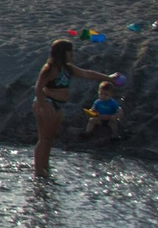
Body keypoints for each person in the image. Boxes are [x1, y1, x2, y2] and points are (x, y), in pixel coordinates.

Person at [32, 39, 118, 177]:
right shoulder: (51, 68)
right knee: (44, 138)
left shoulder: (68, 68)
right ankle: (38, 170)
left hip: (58, 105)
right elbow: (38, 87)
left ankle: (45, 165)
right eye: (70, 51)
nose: (72, 54)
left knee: (51, 137)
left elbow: (87, 74)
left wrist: (109, 78)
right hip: (47, 103)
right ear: (63, 53)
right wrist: (42, 105)